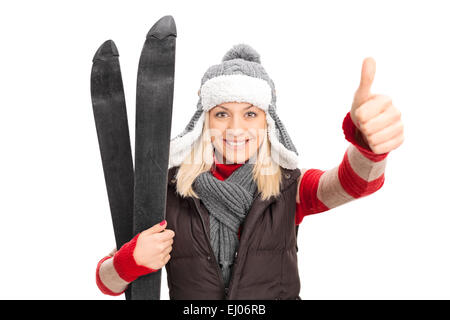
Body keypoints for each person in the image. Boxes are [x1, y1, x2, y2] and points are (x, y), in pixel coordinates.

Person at [95, 44, 404, 299]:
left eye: (250, 114)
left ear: (267, 124)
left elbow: (353, 183)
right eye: (222, 114)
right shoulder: (168, 189)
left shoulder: (288, 185)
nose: (236, 128)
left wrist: (368, 145)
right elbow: (106, 281)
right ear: (204, 121)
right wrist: (129, 262)